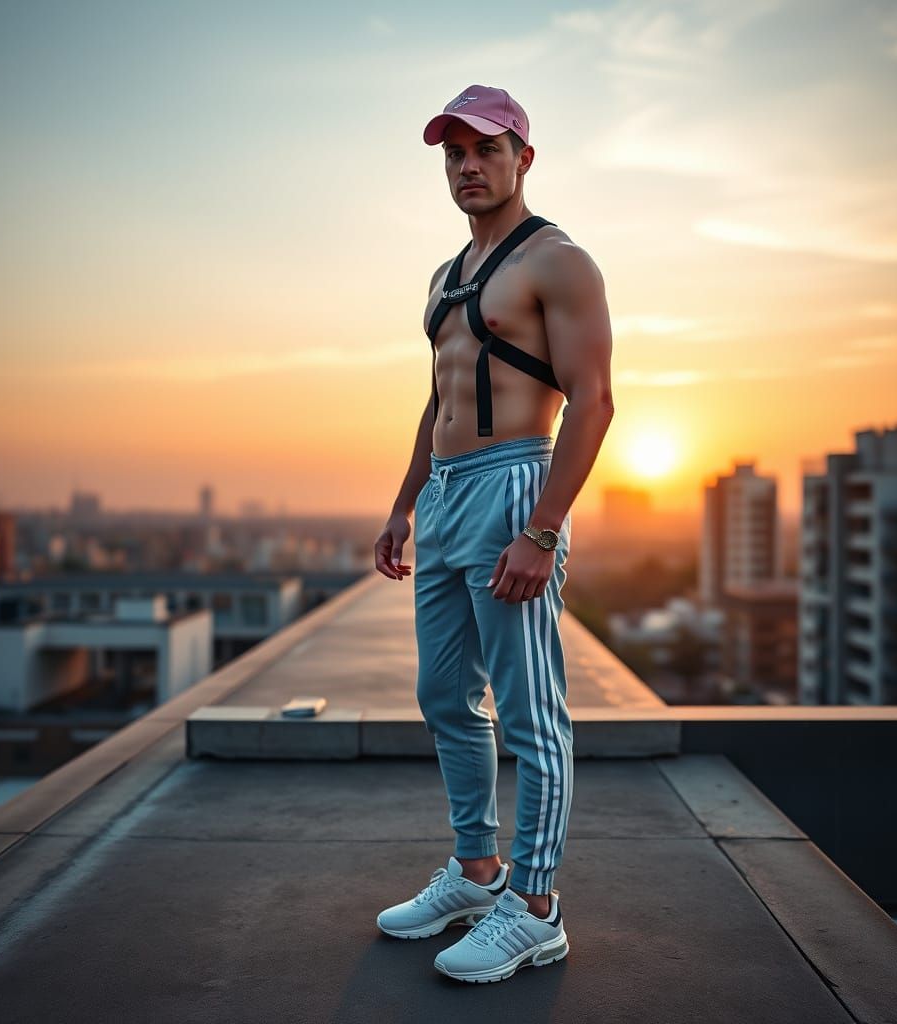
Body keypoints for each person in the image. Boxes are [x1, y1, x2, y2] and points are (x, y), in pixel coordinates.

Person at [373, 84, 614, 984]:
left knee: (529, 712)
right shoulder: (445, 277)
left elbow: (594, 401)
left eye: (487, 150)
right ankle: (478, 873)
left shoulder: (559, 261)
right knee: (444, 696)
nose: (468, 166)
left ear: (523, 158)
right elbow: (439, 398)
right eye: (454, 153)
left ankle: (537, 907)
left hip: (518, 486)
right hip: (445, 496)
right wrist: (404, 504)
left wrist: (543, 531)